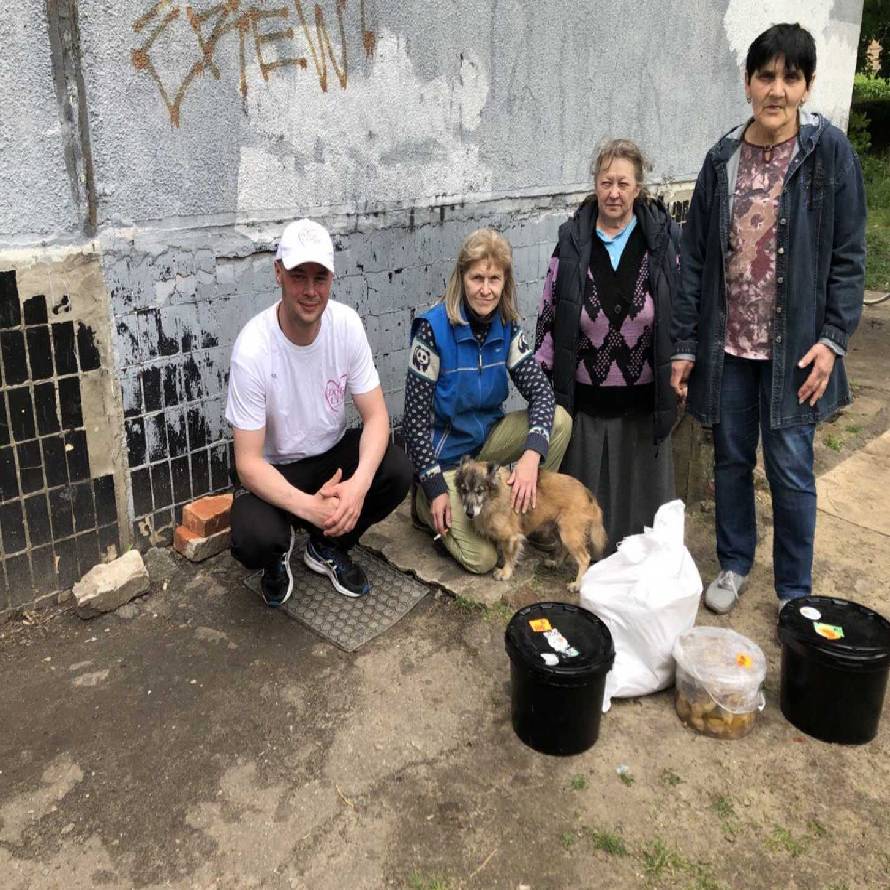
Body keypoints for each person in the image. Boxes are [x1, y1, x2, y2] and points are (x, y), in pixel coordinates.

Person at [671, 23, 866, 615]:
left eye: (790, 76)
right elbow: (696, 260)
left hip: (796, 352)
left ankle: (793, 590)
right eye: (766, 76)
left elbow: (848, 256)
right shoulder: (722, 159)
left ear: (806, 87)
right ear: (748, 83)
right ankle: (733, 563)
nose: (776, 89)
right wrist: (685, 346)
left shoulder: (827, 153)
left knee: (789, 468)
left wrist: (833, 338)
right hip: (729, 349)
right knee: (731, 460)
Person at [226, 218, 412, 606]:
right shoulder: (253, 348)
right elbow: (247, 462)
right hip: (276, 467)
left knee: (395, 470)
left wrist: (357, 487)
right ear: (278, 273)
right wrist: (311, 507)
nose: (310, 291)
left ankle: (328, 545)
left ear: (332, 277)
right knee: (252, 539)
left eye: (320, 277)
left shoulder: (346, 325)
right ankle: (279, 556)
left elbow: (377, 417)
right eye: (298, 276)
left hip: (332, 459)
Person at [534, 138, 680, 553]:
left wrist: (686, 364)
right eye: (605, 182)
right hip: (588, 406)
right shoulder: (571, 244)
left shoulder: (663, 243)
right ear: (595, 186)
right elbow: (548, 315)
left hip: (644, 404)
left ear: (638, 188)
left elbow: (684, 309)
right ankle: (591, 566)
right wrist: (544, 386)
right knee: (586, 517)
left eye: (623, 183)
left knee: (643, 522)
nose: (614, 192)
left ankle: (641, 565)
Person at [403, 228, 572, 573]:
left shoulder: (506, 326)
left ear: (505, 282)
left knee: (558, 421)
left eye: (494, 279)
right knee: (483, 559)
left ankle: (528, 516)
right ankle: (424, 506)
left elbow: (541, 392)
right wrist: (433, 485)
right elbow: (414, 425)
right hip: (446, 462)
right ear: (461, 278)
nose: (485, 289)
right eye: (476, 277)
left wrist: (530, 456)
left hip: (487, 448)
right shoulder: (432, 331)